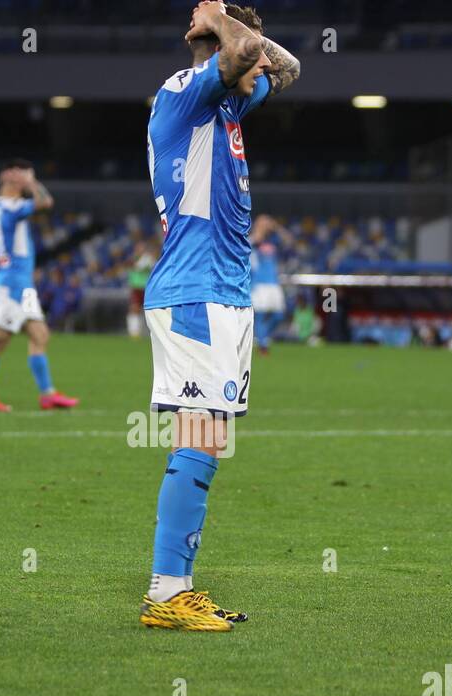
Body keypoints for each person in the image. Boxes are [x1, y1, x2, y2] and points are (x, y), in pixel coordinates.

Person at [137, 0, 299, 631]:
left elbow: (285, 68)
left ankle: (175, 589)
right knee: (200, 439)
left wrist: (236, 28)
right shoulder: (181, 91)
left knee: (210, 442)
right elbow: (239, 57)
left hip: (228, 293)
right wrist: (217, 26)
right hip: (193, 289)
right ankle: (166, 594)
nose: (256, 56)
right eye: (245, 42)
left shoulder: (231, 101)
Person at [0, 159, 79, 411]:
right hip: (11, 284)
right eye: (21, 174)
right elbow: (45, 202)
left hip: (23, 284)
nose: (27, 179)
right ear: (9, 176)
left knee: (40, 334)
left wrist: (25, 181)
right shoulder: (7, 206)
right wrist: (31, 182)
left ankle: (47, 394)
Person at [250, 214, 293, 353]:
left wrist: (276, 227)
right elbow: (254, 240)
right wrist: (260, 227)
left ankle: (263, 337)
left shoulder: (273, 241)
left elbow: (289, 241)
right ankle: (263, 344)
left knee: (279, 315)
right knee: (261, 315)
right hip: (259, 283)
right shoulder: (253, 240)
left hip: (274, 283)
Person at [126, 240, 156, 338]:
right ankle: (134, 331)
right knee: (135, 308)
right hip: (136, 287)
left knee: (149, 310)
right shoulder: (133, 258)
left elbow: (152, 266)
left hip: (146, 287)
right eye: (138, 248)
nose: (140, 250)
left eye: (141, 248)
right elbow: (134, 268)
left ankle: (147, 332)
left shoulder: (148, 259)